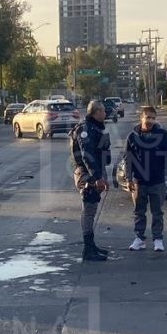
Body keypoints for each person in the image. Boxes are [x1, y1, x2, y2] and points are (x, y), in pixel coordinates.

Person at [124, 106, 167, 252]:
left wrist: (163, 168)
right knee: (139, 212)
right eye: (148, 117)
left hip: (157, 181)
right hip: (138, 181)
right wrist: (128, 178)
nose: (151, 120)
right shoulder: (133, 136)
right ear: (142, 118)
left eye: (153, 118)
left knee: (157, 212)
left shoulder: (161, 134)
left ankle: (158, 239)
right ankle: (139, 238)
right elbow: (128, 159)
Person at [71, 100, 112, 262]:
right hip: (86, 174)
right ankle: (88, 250)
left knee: (92, 209)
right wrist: (97, 178)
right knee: (88, 210)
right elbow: (87, 155)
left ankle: (92, 246)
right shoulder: (85, 129)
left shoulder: (94, 127)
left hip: (94, 173)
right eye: (102, 111)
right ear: (95, 112)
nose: (105, 114)